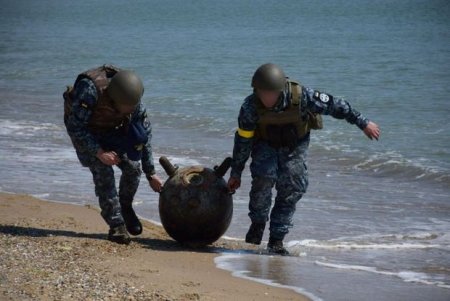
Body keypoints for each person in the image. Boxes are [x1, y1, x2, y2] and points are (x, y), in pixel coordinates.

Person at [227, 63, 380, 255]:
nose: (266, 98)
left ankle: (276, 240)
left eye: (271, 93)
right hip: (265, 144)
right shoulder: (250, 107)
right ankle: (258, 223)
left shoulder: (301, 96)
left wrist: (362, 122)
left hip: (294, 146)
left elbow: (335, 105)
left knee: (292, 186)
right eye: (262, 93)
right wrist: (236, 173)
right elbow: (243, 142)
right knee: (263, 179)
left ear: (280, 90)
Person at [64, 65, 163, 244]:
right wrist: (99, 152)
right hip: (87, 133)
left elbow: (144, 136)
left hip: (111, 131)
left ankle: (125, 207)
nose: (131, 110)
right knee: (104, 170)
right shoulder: (90, 90)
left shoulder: (133, 100)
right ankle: (116, 225)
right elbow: (75, 127)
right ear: (113, 98)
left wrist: (151, 173)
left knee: (133, 168)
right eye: (127, 107)